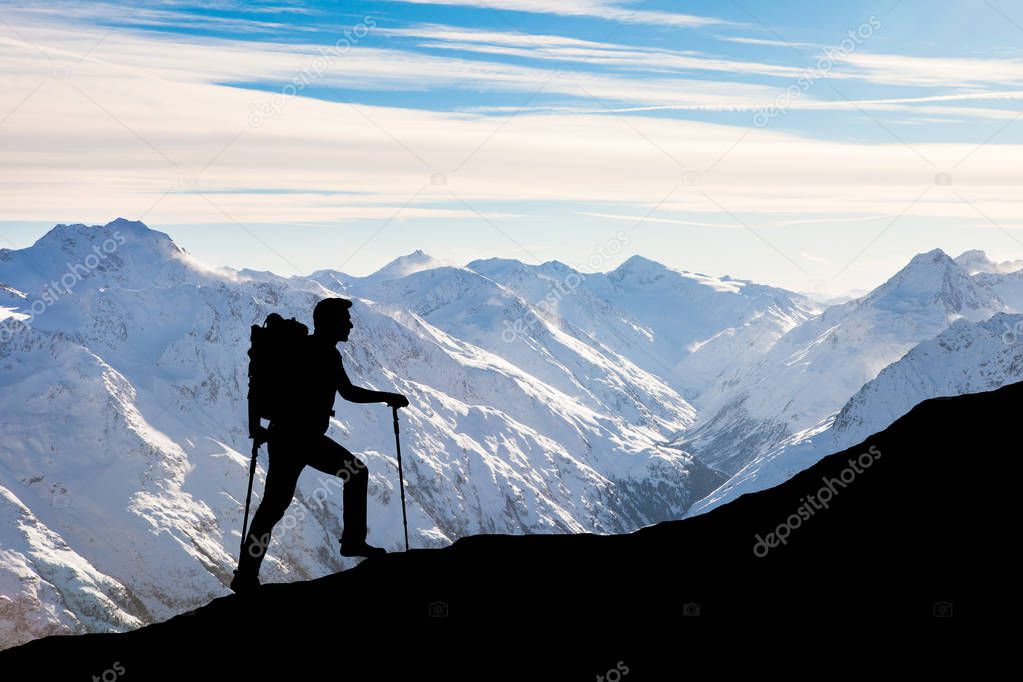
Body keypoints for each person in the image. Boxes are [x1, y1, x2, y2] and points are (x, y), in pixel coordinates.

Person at [231, 297, 409, 593]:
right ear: (330, 323)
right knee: (355, 473)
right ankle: (352, 541)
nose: (350, 325)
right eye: (344, 320)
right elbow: (349, 392)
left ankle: (246, 576)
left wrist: (258, 428)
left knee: (273, 508)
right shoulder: (325, 353)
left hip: (286, 436)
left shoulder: (307, 349)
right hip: (300, 438)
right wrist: (387, 397)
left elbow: (262, 386)